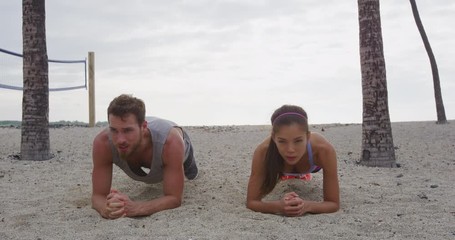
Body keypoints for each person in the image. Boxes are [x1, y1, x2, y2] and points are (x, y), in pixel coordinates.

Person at [91, 94, 198, 219]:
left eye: (127, 130)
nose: (120, 140)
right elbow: (97, 196)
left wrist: (136, 208)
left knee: (191, 175)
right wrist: (106, 208)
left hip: (179, 143)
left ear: (143, 127)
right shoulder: (103, 143)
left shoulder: (170, 142)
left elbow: (174, 198)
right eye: (114, 130)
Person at [246, 105, 339, 216]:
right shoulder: (263, 151)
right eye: (282, 141)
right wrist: (278, 206)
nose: (290, 150)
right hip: (280, 164)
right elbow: (251, 202)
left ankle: (299, 175)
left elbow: (333, 203)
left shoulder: (323, 149)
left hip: (312, 166)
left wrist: (306, 206)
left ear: (308, 136)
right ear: (274, 138)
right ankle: (290, 175)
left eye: (298, 141)